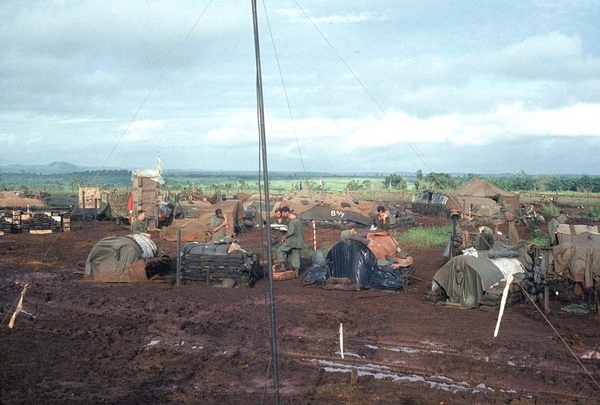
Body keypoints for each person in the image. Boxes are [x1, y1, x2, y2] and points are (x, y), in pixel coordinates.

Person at [277, 207, 305, 276]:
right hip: (298, 242)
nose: (283, 215)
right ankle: (296, 272)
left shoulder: (292, 221)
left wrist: (284, 236)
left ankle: (283, 266)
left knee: (280, 250)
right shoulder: (298, 221)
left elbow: (291, 232)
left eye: (283, 213)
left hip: (291, 241)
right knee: (295, 255)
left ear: (287, 212)